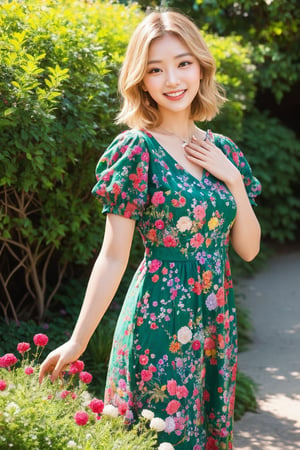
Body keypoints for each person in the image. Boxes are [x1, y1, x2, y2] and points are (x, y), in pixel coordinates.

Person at [39, 10, 261, 449]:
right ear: (141, 80)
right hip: (159, 316)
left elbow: (249, 250)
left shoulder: (224, 151)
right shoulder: (135, 150)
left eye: (183, 63)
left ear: (201, 67)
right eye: (156, 69)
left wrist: (233, 180)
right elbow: (113, 255)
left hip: (216, 316)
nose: (172, 78)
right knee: (156, 436)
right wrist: (78, 340)